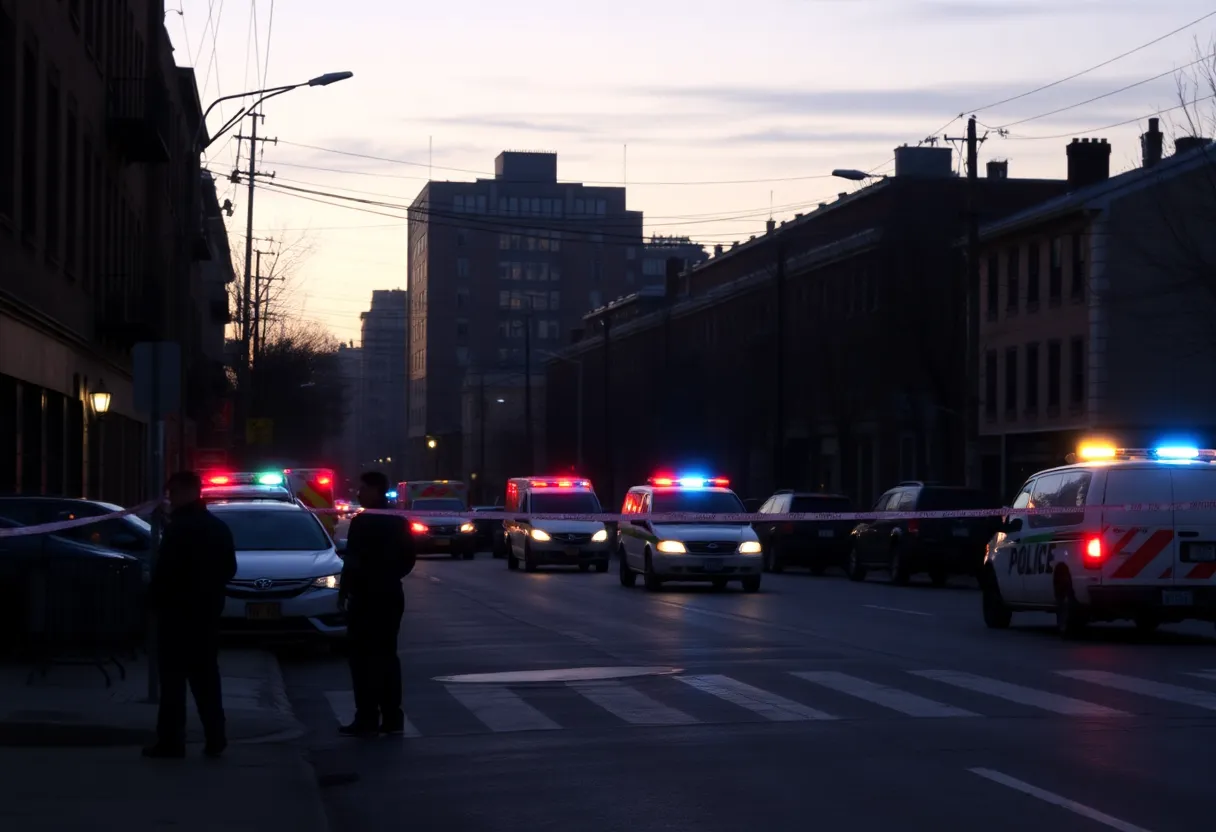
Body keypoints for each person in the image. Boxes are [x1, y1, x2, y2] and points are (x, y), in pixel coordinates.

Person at [143, 471, 238, 759]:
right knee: (206, 679)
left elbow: (166, 572)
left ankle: (171, 741)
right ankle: (216, 736)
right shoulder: (218, 527)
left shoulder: (179, 529)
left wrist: (154, 601)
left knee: (173, 682)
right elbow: (229, 568)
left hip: (177, 615)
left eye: (172, 494)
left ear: (184, 492)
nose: (170, 500)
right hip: (206, 614)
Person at [339, 470, 416, 736]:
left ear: (375, 490)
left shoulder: (363, 522)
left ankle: (367, 718)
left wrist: (345, 592)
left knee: (362, 659)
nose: (358, 493)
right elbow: (409, 557)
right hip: (390, 595)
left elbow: (352, 561)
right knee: (386, 657)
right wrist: (391, 576)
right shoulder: (398, 520)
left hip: (366, 597)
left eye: (362, 489)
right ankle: (392, 717)